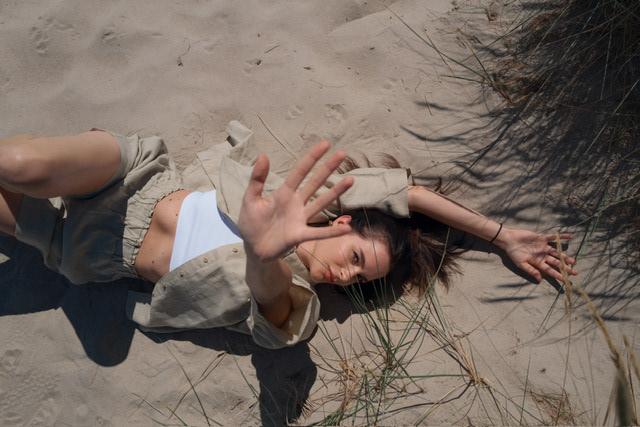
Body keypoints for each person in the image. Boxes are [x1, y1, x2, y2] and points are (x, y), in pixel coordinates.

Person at [0, 121, 577, 348]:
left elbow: (274, 317)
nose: (346, 276)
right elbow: (407, 194)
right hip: (136, 177)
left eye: (358, 281)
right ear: (344, 222)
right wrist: (501, 235)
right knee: (17, 164)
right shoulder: (309, 202)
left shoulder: (296, 297)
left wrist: (263, 254)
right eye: (356, 258)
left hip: (88, 250)